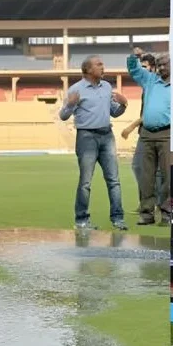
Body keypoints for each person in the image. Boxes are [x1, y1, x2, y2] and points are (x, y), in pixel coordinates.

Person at [58, 55, 128, 230]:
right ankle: (82, 220)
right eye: (99, 65)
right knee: (86, 182)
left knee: (114, 180)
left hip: (107, 135)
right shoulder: (76, 90)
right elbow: (63, 116)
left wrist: (124, 105)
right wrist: (69, 105)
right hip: (86, 137)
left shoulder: (106, 87)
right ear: (88, 70)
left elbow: (114, 112)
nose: (103, 67)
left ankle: (118, 218)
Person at [127, 47, 171, 225]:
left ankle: (167, 213)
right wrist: (134, 57)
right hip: (146, 134)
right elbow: (134, 69)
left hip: (168, 134)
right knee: (146, 176)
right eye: (158, 64)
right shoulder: (150, 80)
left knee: (169, 176)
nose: (160, 68)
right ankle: (146, 213)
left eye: (164, 64)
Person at [121, 53, 164, 207]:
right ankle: (146, 201)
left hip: (156, 131)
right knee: (140, 167)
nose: (143, 70)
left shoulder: (157, 85)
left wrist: (131, 126)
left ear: (153, 67)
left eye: (145, 67)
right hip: (144, 132)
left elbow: (153, 112)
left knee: (156, 171)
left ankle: (157, 203)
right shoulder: (147, 85)